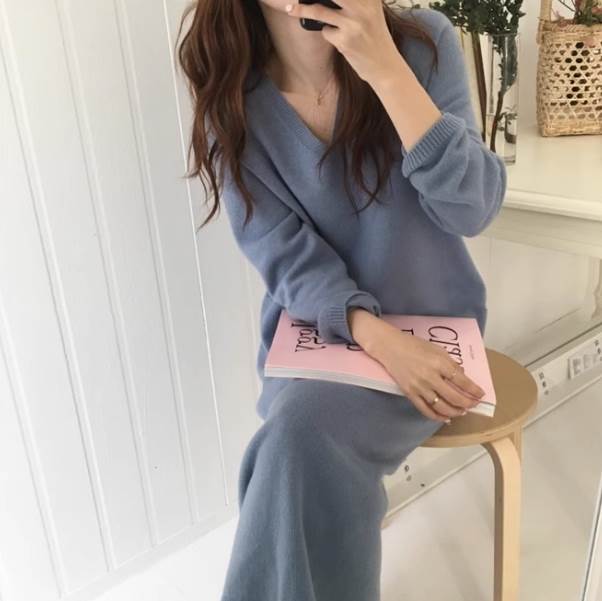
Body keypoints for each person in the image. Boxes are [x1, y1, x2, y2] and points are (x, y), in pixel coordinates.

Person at [176, 1, 507, 599]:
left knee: (296, 444)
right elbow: (285, 255)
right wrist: (378, 338)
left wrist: (386, 70)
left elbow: (473, 209)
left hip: (434, 335)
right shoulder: (236, 98)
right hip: (324, 332)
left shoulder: (421, 45)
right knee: (296, 441)